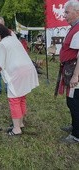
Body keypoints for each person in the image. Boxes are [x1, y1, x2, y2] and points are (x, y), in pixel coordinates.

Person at [0, 23, 39, 136]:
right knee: (21, 97)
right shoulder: (12, 38)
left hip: (18, 73)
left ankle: (16, 129)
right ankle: (20, 123)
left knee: (14, 100)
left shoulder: (2, 44)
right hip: (27, 69)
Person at [57, 0, 79, 143]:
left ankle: (76, 134)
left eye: (67, 12)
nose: (64, 15)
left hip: (74, 71)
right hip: (70, 69)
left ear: (77, 12)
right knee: (73, 101)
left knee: (74, 102)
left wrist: (76, 75)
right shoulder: (74, 27)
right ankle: (74, 126)